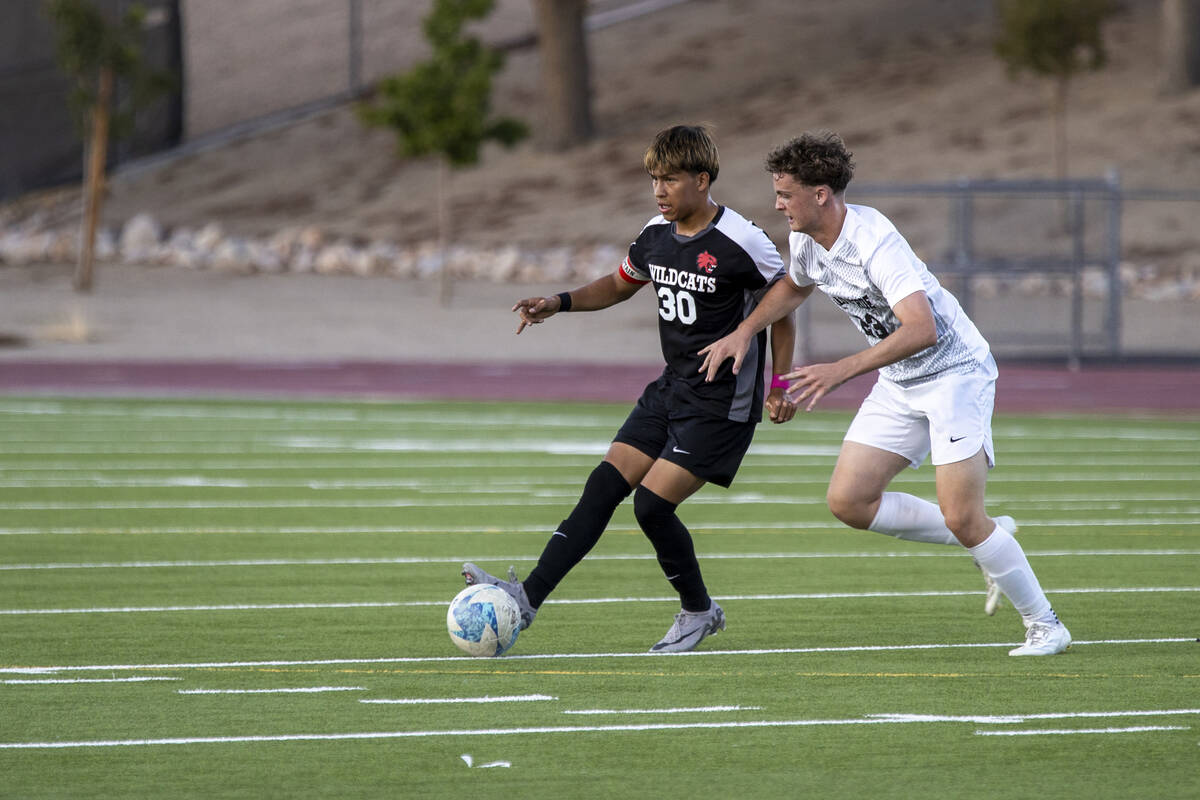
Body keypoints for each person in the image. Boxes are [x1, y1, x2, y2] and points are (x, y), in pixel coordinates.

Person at [697, 131, 1071, 656]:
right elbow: (794, 288)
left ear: (821, 193)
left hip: (954, 376)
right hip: (901, 381)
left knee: (963, 515)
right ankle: (990, 537)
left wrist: (841, 370)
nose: (777, 203)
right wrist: (747, 337)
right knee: (849, 501)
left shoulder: (875, 240)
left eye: (786, 193)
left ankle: (1046, 624)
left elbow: (923, 330)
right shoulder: (806, 239)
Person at [462, 124, 797, 653]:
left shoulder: (743, 241)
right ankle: (525, 600)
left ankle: (698, 612)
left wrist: (778, 386)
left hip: (720, 404)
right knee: (602, 487)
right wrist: (560, 301)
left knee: (651, 507)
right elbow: (621, 284)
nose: (659, 190)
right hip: (670, 389)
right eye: (654, 180)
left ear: (703, 180)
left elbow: (784, 306)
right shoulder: (655, 234)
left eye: (670, 179)